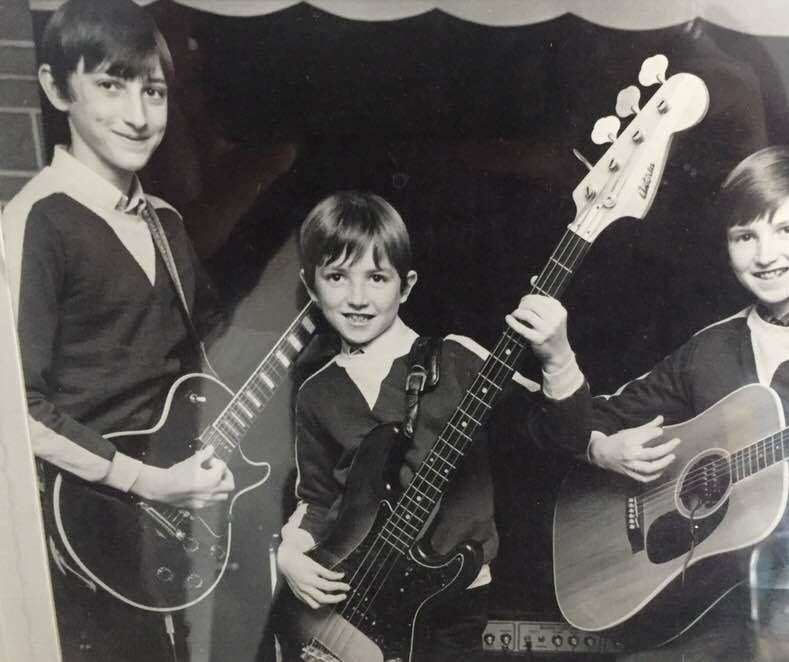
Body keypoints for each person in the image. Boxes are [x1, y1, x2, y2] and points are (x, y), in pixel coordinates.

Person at [507, 145, 789, 661]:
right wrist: (586, 419)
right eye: (745, 236)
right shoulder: (710, 347)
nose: (765, 256)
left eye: (787, 230)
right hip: (704, 604)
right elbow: (578, 425)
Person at [2, 0, 233, 659]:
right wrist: (145, 481)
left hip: (178, 519)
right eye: (110, 84)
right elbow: (19, 405)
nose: (138, 115)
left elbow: (214, 357)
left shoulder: (167, 221)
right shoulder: (36, 223)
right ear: (55, 88)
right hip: (91, 531)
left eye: (153, 90)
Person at [272, 191, 534, 661]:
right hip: (354, 598)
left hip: (451, 602)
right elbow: (317, 499)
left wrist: (560, 363)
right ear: (311, 287)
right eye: (336, 277)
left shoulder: (458, 359)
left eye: (376, 277)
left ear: (406, 285)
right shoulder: (316, 393)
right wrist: (289, 554)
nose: (357, 298)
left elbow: (550, 426)